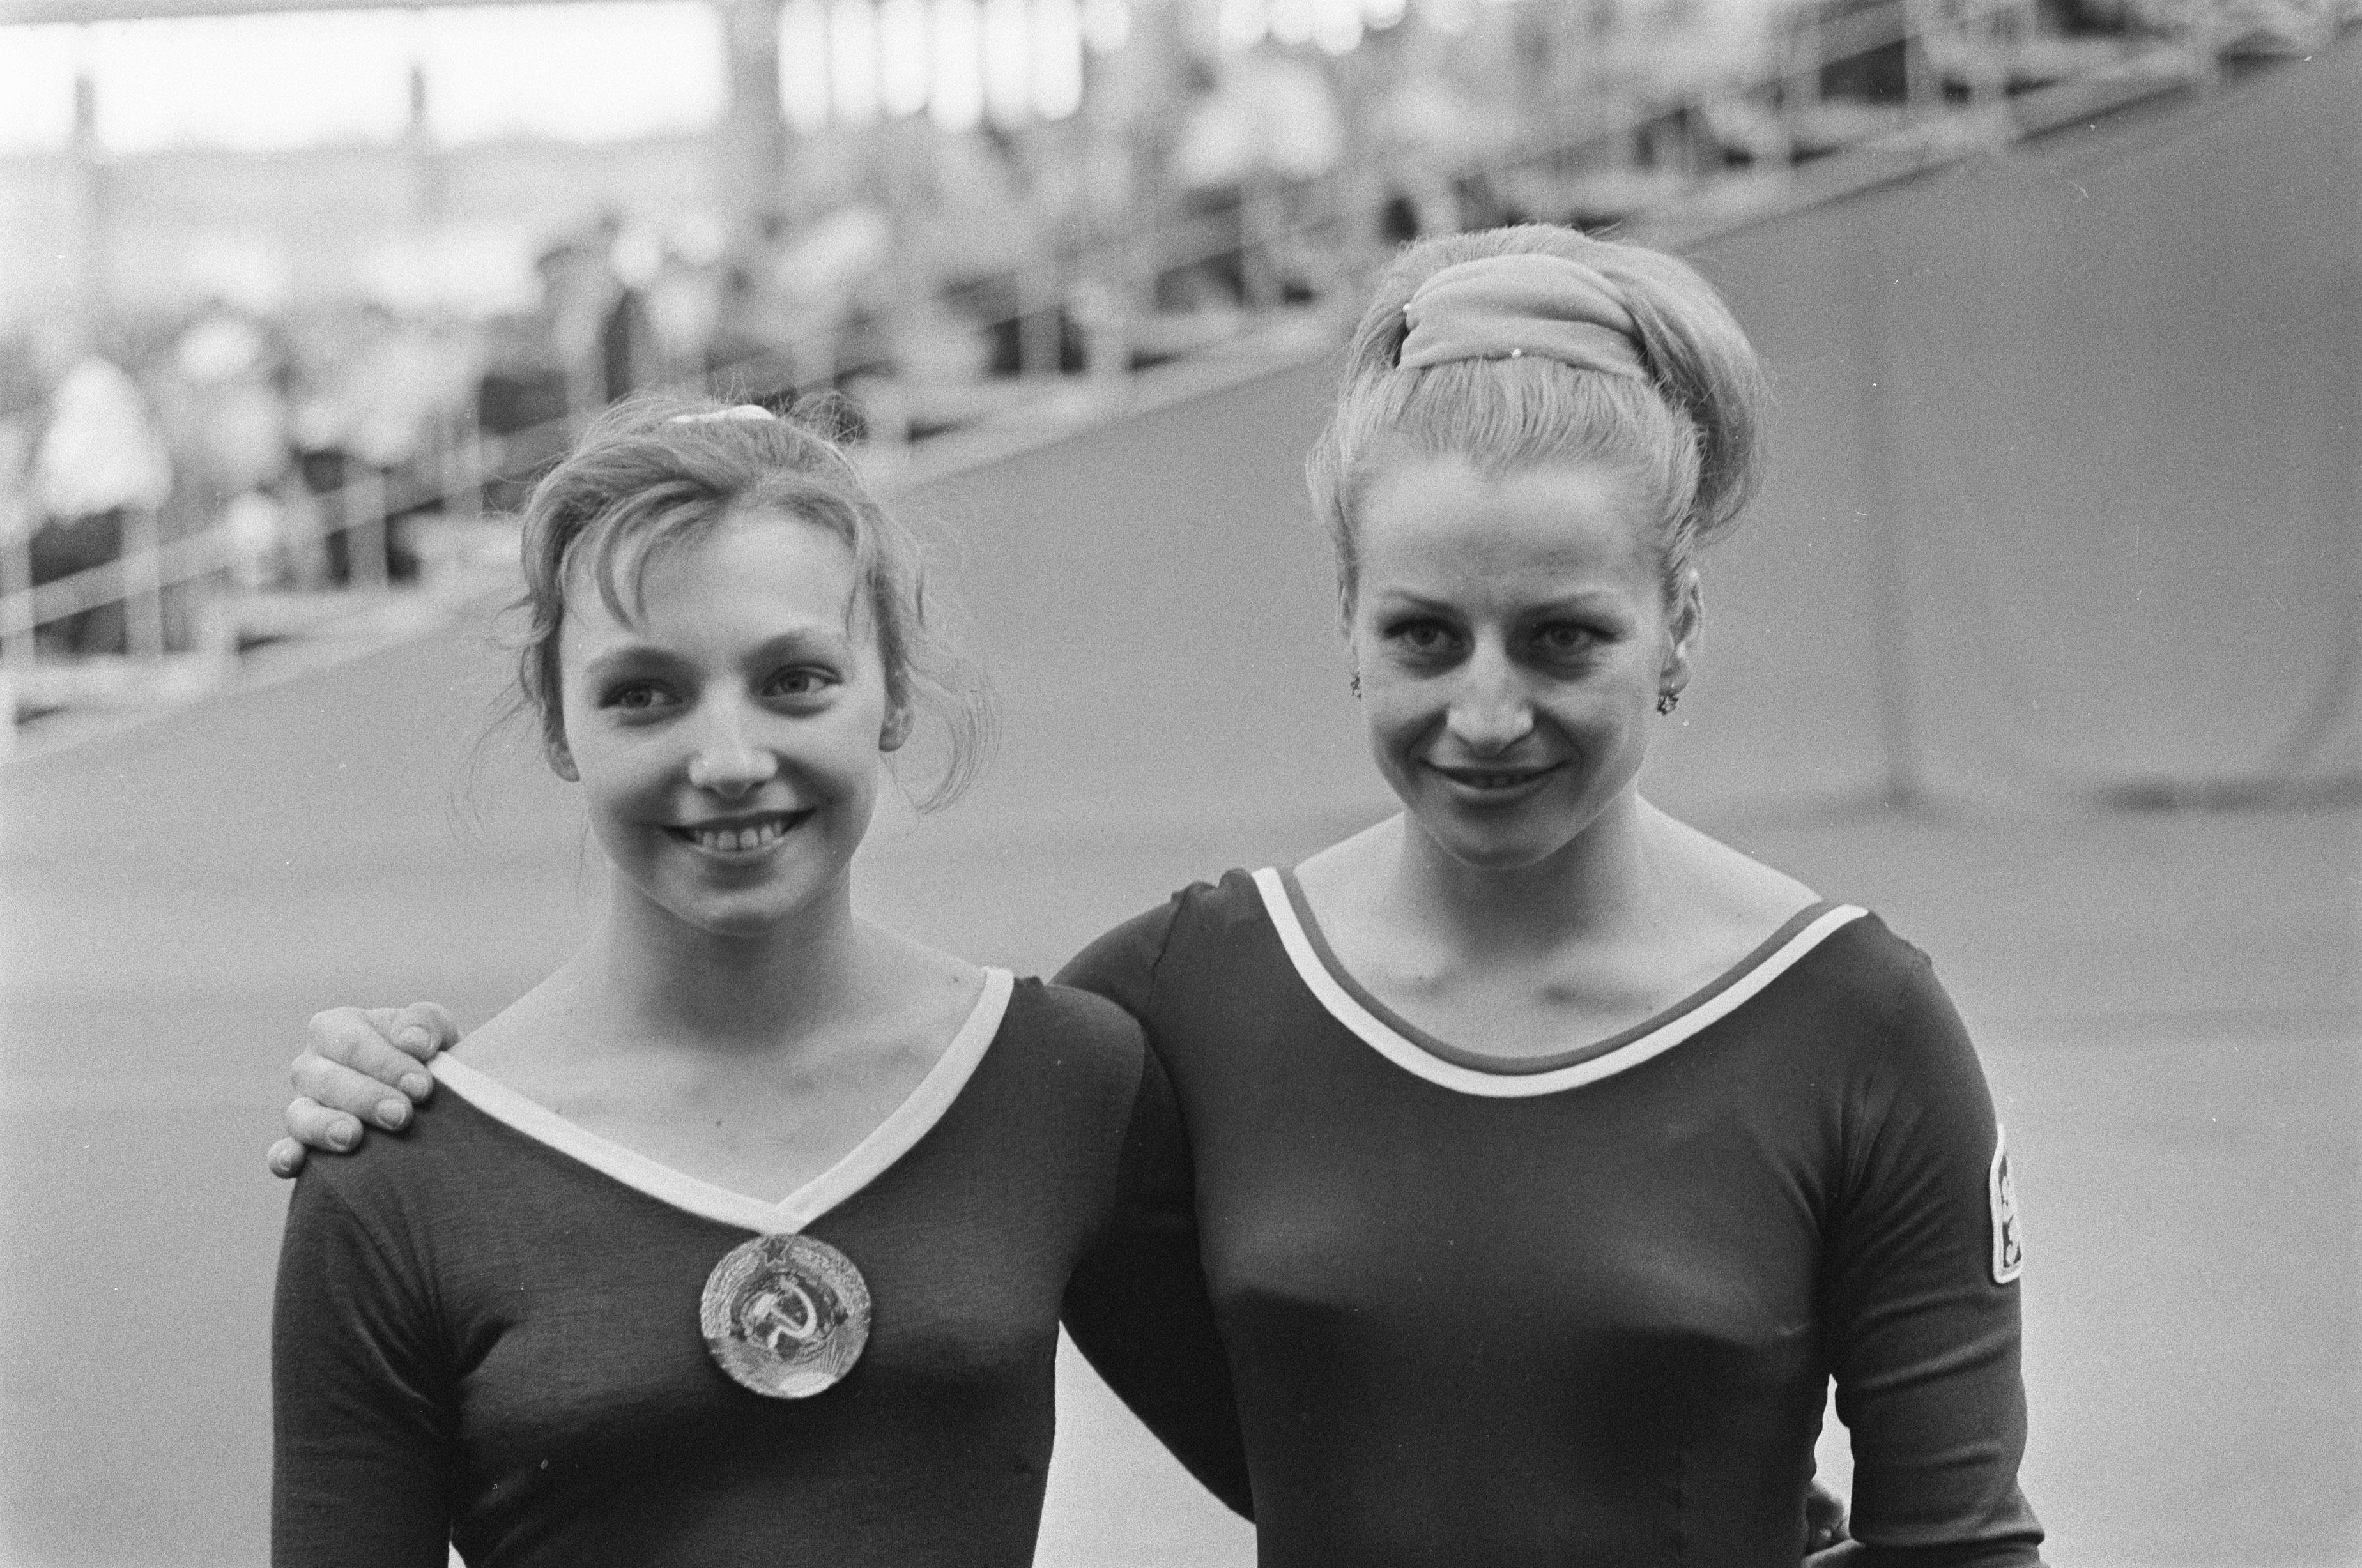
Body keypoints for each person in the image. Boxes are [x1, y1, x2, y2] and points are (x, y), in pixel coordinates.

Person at [273, 225, 2037, 1563]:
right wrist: (402, 1091)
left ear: (1679, 627)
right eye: (1425, 634)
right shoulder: (1173, 1005)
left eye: (1565, 636)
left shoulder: (1854, 1022)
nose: (1488, 711)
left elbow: (1947, 1541)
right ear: (1347, 625)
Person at [267, 395, 1251, 1568]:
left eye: (794, 680)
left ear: (893, 691)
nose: (729, 761)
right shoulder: (400, 1169)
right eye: (644, 693)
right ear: (560, 724)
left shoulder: (1062, 1078)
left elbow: (1338, 1466)